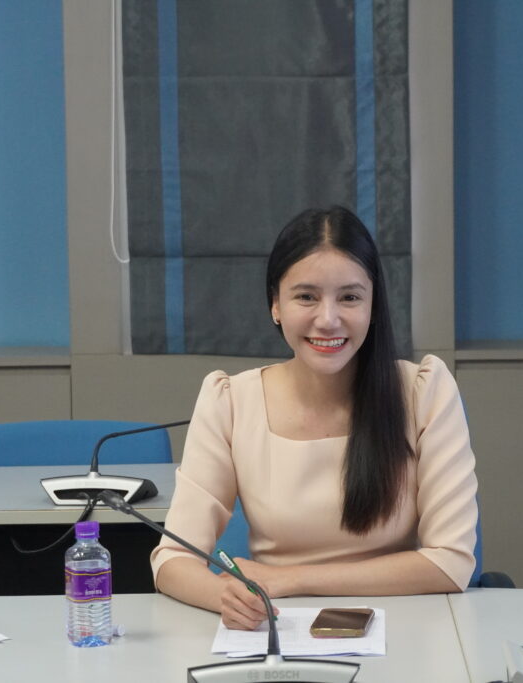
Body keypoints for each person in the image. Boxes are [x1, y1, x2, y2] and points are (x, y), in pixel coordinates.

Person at [151, 206, 478, 630]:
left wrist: (291, 579)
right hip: (275, 627)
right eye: (306, 296)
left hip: (402, 626)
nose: (328, 319)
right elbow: (173, 560)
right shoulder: (230, 400)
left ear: (373, 305)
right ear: (275, 304)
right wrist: (227, 597)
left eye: (350, 297)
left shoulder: (423, 392)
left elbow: (450, 563)